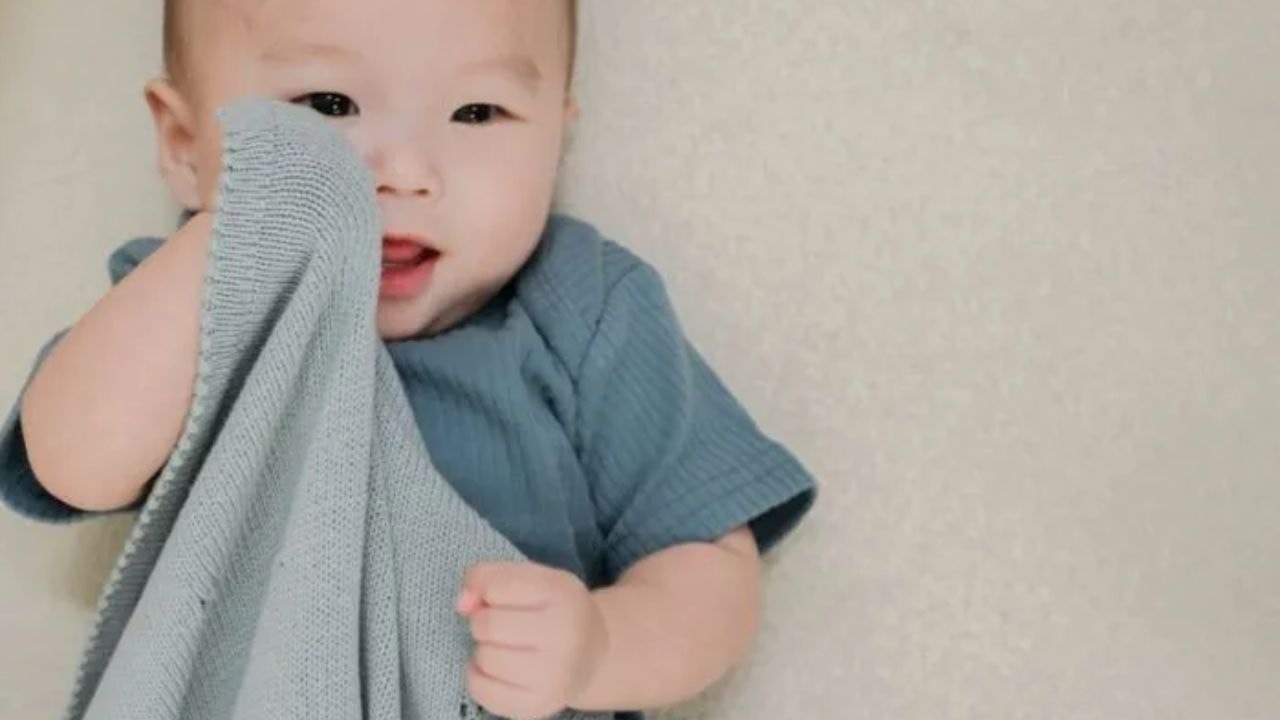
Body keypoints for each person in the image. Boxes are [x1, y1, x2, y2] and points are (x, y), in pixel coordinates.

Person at [0, 1, 816, 718]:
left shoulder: (581, 304)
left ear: (557, 134)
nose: (407, 174)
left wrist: (601, 646)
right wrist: (237, 235)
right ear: (185, 143)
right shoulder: (196, 298)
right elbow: (72, 461)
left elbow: (709, 566)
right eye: (327, 105)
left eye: (477, 112)